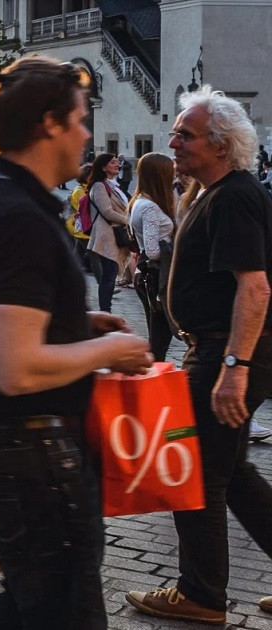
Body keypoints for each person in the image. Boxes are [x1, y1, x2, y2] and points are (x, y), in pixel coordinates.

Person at [0, 56, 153, 630]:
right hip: (28, 447)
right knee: (57, 610)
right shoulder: (17, 214)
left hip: (4, 440)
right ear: (49, 123)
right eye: (80, 120)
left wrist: (78, 326)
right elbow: (17, 366)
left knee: (49, 605)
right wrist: (111, 352)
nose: (87, 135)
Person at [125, 85, 272, 625]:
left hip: (221, 354)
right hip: (217, 351)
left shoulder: (234, 195)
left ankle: (202, 594)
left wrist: (234, 369)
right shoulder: (214, 191)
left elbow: (254, 288)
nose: (174, 142)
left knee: (194, 474)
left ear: (220, 144)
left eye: (185, 135)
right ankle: (203, 589)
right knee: (232, 475)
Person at [126, 153, 176, 362]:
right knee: (159, 338)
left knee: (158, 336)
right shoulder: (150, 208)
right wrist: (174, 249)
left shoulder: (141, 200)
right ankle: (154, 382)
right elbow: (153, 250)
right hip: (156, 276)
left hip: (149, 274)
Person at [85, 153, 128, 312]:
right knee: (108, 277)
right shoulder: (99, 186)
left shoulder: (112, 185)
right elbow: (107, 212)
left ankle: (106, 310)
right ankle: (105, 311)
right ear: (103, 167)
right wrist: (128, 219)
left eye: (117, 161)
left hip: (112, 233)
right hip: (106, 234)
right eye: (112, 162)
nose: (117, 164)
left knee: (110, 275)